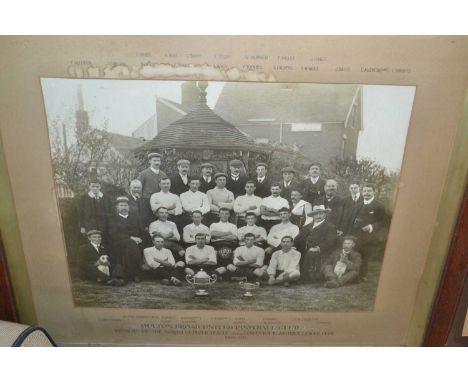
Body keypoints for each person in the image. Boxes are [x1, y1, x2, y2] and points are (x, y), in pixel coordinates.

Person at [350, 183, 385, 279]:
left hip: (370, 236)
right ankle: (352, 273)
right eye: (365, 191)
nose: (367, 193)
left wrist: (370, 227)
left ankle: (362, 275)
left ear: (374, 192)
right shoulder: (357, 206)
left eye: (369, 191)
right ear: (362, 192)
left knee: (363, 255)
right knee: (354, 253)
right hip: (355, 234)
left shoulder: (379, 206)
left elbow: (383, 222)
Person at [294, 205, 338, 282]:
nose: (318, 216)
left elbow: (330, 241)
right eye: (316, 214)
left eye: (320, 213)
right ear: (313, 216)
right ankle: (292, 275)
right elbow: (298, 238)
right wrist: (293, 246)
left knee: (310, 253)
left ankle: (304, 277)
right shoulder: (307, 227)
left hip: (322, 250)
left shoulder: (330, 227)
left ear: (325, 214)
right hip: (305, 249)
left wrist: (318, 247)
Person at [107, 196, 144, 283]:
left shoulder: (135, 218)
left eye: (125, 205)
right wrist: (130, 238)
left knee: (130, 248)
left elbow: (140, 231)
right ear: (117, 207)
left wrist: (140, 238)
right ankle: (136, 273)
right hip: (118, 242)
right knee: (131, 244)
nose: (124, 207)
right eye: (121, 205)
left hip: (135, 242)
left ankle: (128, 273)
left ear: (129, 207)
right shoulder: (113, 219)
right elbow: (113, 234)